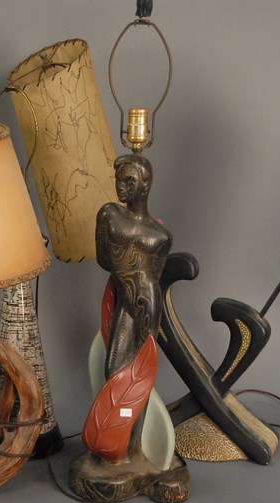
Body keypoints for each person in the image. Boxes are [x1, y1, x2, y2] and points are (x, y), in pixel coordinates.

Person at [94, 153, 171, 459]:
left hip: (147, 305)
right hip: (125, 300)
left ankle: (131, 446)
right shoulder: (109, 215)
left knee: (141, 376)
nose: (121, 186)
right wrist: (125, 277)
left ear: (145, 186)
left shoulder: (161, 235)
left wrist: (131, 279)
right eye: (119, 180)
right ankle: (116, 441)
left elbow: (155, 277)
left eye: (129, 181)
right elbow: (104, 260)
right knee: (114, 369)